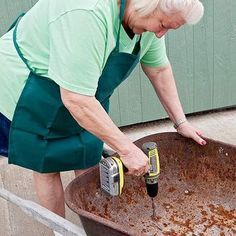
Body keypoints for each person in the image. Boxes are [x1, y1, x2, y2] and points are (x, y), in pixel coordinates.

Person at [0, 0, 206, 234]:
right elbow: (77, 99)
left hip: (84, 92)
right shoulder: (87, 13)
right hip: (34, 85)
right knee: (47, 165)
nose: (161, 34)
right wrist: (127, 150)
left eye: (170, 28)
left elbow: (159, 69)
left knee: (88, 153)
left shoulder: (150, 22)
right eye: (161, 24)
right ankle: (60, 231)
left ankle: (92, 223)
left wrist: (181, 122)